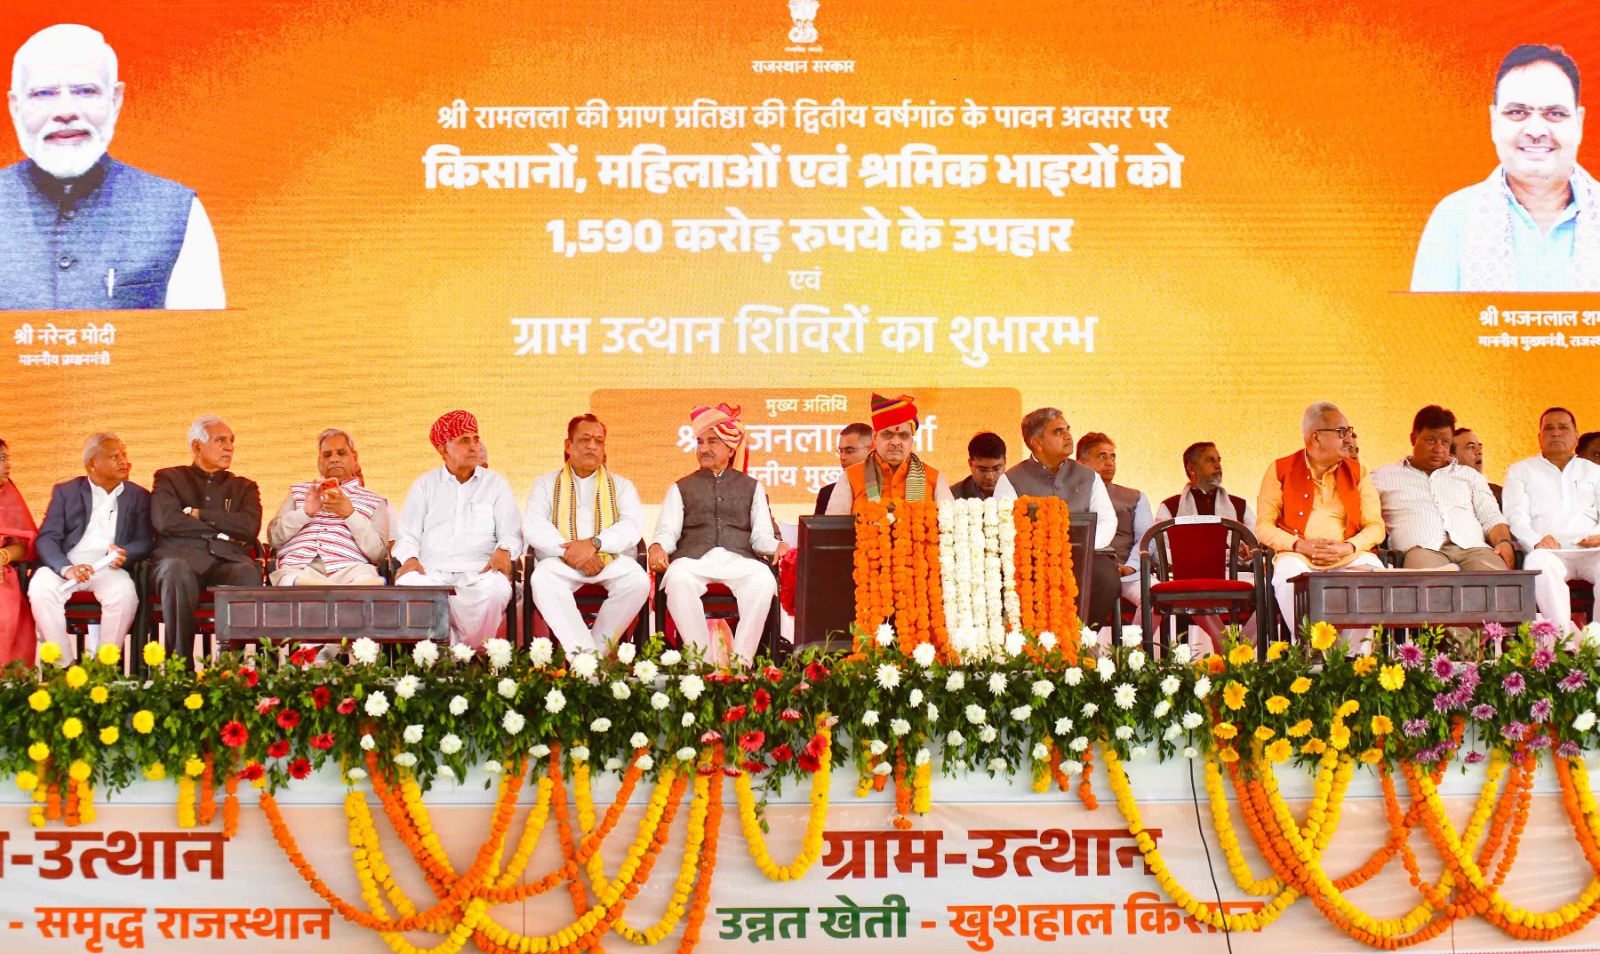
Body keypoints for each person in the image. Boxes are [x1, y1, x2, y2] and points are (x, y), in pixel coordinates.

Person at [1, 25, 224, 309]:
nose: (65, 111)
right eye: (44, 93)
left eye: (86, 91)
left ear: (115, 100)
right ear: (16, 107)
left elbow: (203, 336)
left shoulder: (178, 212)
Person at [1412, 44, 1596, 292]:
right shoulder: (1453, 218)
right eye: (1517, 112)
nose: (1536, 131)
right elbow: (1427, 317)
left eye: (1554, 113)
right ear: (1494, 121)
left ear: (1579, 122)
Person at [649, 404, 788, 665]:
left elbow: (760, 536)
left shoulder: (752, 487)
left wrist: (777, 546)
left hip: (739, 559)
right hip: (693, 559)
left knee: (763, 580)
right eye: (700, 442)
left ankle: (740, 664)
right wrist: (658, 545)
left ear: (731, 449)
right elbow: (668, 531)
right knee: (677, 579)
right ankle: (702, 663)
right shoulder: (681, 487)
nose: (704, 448)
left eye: (712, 442)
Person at [1255, 402, 1385, 640]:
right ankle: (1311, 650)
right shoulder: (1280, 469)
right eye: (1341, 432)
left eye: (1349, 431)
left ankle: (1346, 655)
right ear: (1316, 437)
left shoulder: (1359, 473)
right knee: (1288, 573)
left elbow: (1376, 527)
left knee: (1374, 575)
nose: (1348, 439)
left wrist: (1348, 547)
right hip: (1298, 556)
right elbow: (1263, 526)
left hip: (1348, 556)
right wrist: (1298, 545)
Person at [394, 411, 521, 649]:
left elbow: (511, 532)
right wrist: (410, 558)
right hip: (433, 573)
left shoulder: (496, 483)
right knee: (408, 586)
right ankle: (462, 654)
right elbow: (407, 535)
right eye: (465, 440)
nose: (474, 446)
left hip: (480, 573)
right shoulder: (424, 485)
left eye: (476, 439)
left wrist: (504, 550)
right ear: (443, 450)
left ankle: (458, 653)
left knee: (497, 589)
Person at [524, 414, 649, 653]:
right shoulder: (546, 484)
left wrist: (595, 544)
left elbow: (632, 526)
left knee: (637, 582)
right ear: (568, 445)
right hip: (561, 560)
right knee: (542, 579)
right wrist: (572, 553)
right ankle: (590, 658)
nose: (592, 445)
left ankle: (588, 659)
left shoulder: (622, 486)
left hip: (609, 559)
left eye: (598, 441)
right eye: (584, 439)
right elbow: (534, 524)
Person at [991, 408, 1120, 628]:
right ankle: (1037, 642)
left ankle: (1082, 637)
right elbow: (1002, 527)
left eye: (1067, 430)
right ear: (1037, 442)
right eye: (1058, 432)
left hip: (1085, 558)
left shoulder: (1089, 476)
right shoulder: (1011, 480)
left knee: (1106, 579)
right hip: (1032, 560)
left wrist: (1080, 548)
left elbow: (1107, 520)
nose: (1068, 436)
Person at [29, 433, 149, 663]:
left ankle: (103, 668)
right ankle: (65, 666)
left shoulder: (138, 496)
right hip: (68, 563)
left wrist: (125, 553)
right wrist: (66, 569)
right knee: (41, 589)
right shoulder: (66, 492)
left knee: (124, 595)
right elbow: (47, 538)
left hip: (109, 566)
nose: (124, 461)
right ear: (93, 464)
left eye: (124, 455)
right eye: (115, 457)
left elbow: (144, 541)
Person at [151, 417, 263, 658]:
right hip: (180, 558)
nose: (229, 447)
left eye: (231, 441)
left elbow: (248, 527)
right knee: (175, 570)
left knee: (246, 571)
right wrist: (222, 530)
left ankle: (230, 667)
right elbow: (166, 521)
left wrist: (198, 514)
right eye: (220, 440)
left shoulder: (244, 487)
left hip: (227, 560)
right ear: (197, 446)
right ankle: (179, 667)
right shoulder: (169, 478)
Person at [1371, 406, 1515, 571]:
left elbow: (1491, 517)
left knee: (1497, 579)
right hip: (1422, 549)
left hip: (1474, 549)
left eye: (1445, 442)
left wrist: (1504, 542)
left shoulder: (1470, 476)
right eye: (1431, 440)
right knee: (1433, 582)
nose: (1439, 449)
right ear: (1413, 438)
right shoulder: (1382, 477)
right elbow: (1364, 518)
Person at [1503, 407, 1600, 632]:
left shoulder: (1594, 471)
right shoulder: (1521, 471)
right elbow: (1515, 515)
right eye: (1549, 428)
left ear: (1576, 435)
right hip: (1549, 551)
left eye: (1563, 428)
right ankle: (1560, 640)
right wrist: (1535, 541)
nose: (1556, 433)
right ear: (1539, 437)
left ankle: (1596, 641)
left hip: (1591, 550)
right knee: (1538, 563)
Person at [1153, 441, 1259, 648]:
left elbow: (1256, 541)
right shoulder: (1170, 506)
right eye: (1210, 460)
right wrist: (1192, 560)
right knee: (1194, 587)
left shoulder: (1239, 505)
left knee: (1271, 592)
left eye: (1219, 460)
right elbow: (1159, 550)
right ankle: (1231, 651)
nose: (1218, 465)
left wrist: (1248, 552)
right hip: (1190, 576)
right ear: (1191, 468)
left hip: (1234, 573)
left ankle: (1241, 648)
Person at [266, 429, 388, 586]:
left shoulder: (374, 500)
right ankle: (311, 587)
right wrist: (305, 513)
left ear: (354, 458)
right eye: (327, 455)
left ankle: (335, 589)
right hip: (300, 567)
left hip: (350, 570)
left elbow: (377, 553)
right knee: (288, 579)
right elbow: (274, 538)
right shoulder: (299, 491)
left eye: (341, 453)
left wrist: (350, 515)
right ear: (320, 461)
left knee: (364, 578)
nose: (334, 459)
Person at [824, 394, 954, 513]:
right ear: (875, 437)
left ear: (912, 440)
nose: (895, 442)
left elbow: (949, 524)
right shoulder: (850, 478)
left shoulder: (934, 478)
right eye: (888, 434)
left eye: (903, 435)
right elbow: (835, 526)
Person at [1075, 432, 1152, 613]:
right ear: (1081, 463)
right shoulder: (1071, 497)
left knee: (1154, 599)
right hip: (1083, 576)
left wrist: (1131, 566)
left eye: (1113, 457)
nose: (1110, 462)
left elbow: (1147, 538)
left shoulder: (1135, 497)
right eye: (1102, 456)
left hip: (1128, 573)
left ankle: (1138, 634)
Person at [0, 438, 38, 664]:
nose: (8, 465)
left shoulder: (8, 494)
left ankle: (8, 681)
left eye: (8, 458)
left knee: (5, 613)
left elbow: (24, 544)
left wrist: (3, 556)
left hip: (2, 574)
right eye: (2, 458)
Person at [813, 423, 872, 514]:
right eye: (840, 451)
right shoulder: (827, 493)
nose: (842, 457)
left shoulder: (888, 485)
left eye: (850, 451)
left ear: (871, 450)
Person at [1452, 426, 1504, 506]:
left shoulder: (1500, 495)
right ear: (1451, 457)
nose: (1479, 451)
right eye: (1470, 447)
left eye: (1480, 447)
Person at [952, 432, 1007, 500]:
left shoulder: (1017, 491)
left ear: (1004, 462)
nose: (990, 477)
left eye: (996, 469)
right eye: (983, 470)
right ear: (970, 464)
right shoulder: (953, 496)